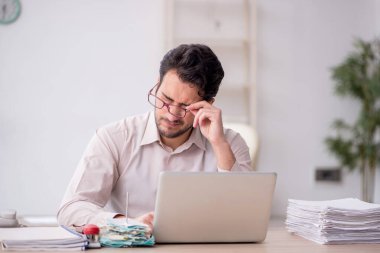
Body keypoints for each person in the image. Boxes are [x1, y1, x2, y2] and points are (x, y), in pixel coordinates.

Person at [57, 44, 252, 230]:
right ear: (157, 86)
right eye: (166, 99)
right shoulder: (114, 138)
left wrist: (219, 145)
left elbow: (246, 216)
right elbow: (71, 209)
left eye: (186, 107)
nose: (171, 114)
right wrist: (126, 223)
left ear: (207, 105)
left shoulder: (230, 144)